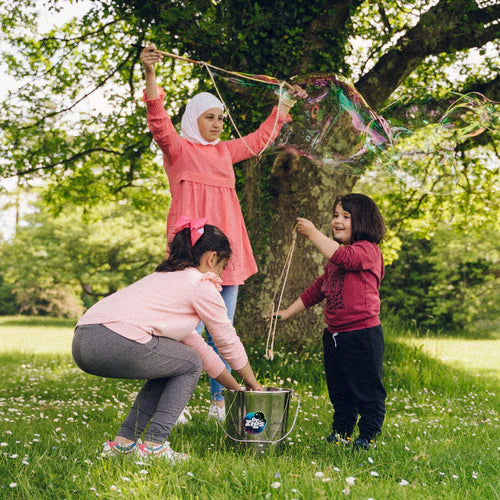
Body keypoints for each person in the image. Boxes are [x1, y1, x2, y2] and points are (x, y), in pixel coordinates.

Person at [140, 43, 306, 420]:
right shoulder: (178, 149)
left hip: (226, 251)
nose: (217, 123)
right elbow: (157, 118)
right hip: (192, 252)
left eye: (221, 117)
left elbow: (262, 137)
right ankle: (172, 402)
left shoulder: (226, 152)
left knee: (221, 328)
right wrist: (150, 74)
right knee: (182, 328)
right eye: (210, 117)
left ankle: (219, 401)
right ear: (194, 118)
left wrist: (284, 106)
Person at [72, 217, 261, 461]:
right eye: (222, 268)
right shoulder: (200, 283)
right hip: (113, 340)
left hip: (84, 340)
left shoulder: (165, 279)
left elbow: (199, 348)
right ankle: (154, 446)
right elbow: (227, 341)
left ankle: (123, 444)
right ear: (211, 258)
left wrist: (235, 388)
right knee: (189, 363)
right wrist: (254, 384)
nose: (221, 277)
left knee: (177, 361)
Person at [276, 193, 387, 450]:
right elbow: (317, 290)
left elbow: (344, 257)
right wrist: (286, 313)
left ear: (363, 221)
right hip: (335, 335)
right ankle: (341, 432)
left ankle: (368, 435)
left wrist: (313, 233)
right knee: (340, 390)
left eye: (346, 217)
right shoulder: (335, 262)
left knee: (367, 389)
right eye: (335, 215)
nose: (337, 221)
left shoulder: (368, 251)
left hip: (362, 335)